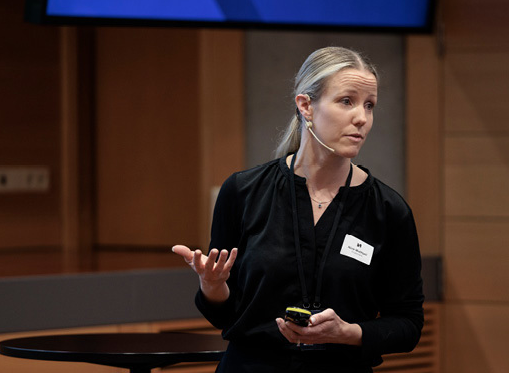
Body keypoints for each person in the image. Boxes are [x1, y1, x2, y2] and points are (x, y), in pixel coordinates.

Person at [172, 46, 424, 373]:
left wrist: (348, 333)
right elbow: (226, 317)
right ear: (306, 105)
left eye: (369, 105)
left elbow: (407, 324)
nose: (362, 117)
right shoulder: (243, 192)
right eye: (346, 101)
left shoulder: (389, 210)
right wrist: (212, 287)